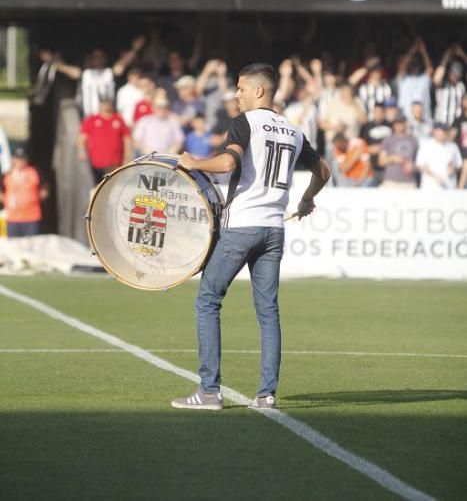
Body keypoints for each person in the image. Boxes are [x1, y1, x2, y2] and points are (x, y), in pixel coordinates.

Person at [171, 62, 330, 411]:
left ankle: (209, 392)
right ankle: (267, 394)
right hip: (274, 229)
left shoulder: (246, 123)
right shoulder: (292, 130)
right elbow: (323, 171)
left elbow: (228, 164)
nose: (236, 94)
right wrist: (306, 199)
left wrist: (194, 162)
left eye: (241, 88)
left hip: (242, 225)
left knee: (208, 300)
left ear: (259, 90)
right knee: (268, 312)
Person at [78, 97, 132, 184]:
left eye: (107, 103)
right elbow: (82, 137)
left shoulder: (118, 119)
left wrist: (127, 155)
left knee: (115, 185)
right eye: (103, 103)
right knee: (98, 186)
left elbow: (126, 138)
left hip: (116, 162)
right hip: (97, 163)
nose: (105, 106)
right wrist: (81, 151)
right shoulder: (92, 119)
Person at [0, 148, 49, 237]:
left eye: (22, 159)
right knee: (14, 245)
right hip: (12, 218)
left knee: (30, 245)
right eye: (17, 159)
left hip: (31, 217)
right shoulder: (7, 174)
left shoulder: (34, 172)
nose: (20, 161)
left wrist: (38, 197)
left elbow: (44, 187)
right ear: (13, 159)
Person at [416, 122, 463, 189]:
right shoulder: (426, 145)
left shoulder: (453, 146)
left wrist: (453, 168)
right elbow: (420, 165)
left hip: (449, 188)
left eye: (446, 131)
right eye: (443, 131)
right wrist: (435, 176)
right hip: (430, 188)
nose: (445, 133)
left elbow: (459, 165)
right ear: (435, 131)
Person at [378, 113, 419, 188]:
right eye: (396, 123)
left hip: (409, 182)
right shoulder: (388, 140)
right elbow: (381, 162)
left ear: (406, 123)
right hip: (391, 181)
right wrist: (393, 158)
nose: (399, 125)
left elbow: (420, 162)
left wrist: (413, 166)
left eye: (401, 122)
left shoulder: (414, 140)